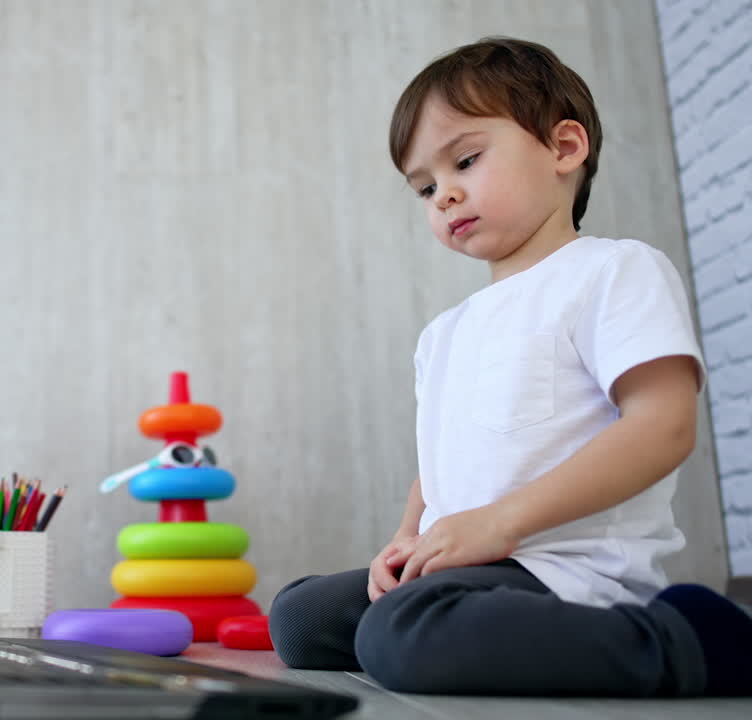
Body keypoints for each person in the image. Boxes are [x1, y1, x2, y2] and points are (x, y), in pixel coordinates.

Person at [267, 36, 752, 697]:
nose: (443, 196)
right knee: (301, 617)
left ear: (563, 148)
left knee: (399, 633)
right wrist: (407, 537)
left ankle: (689, 640)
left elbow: (664, 426)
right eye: (425, 187)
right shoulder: (445, 332)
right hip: (475, 560)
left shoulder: (613, 270)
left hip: (568, 570)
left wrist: (502, 522)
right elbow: (440, 459)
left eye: (465, 160)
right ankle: (427, 613)